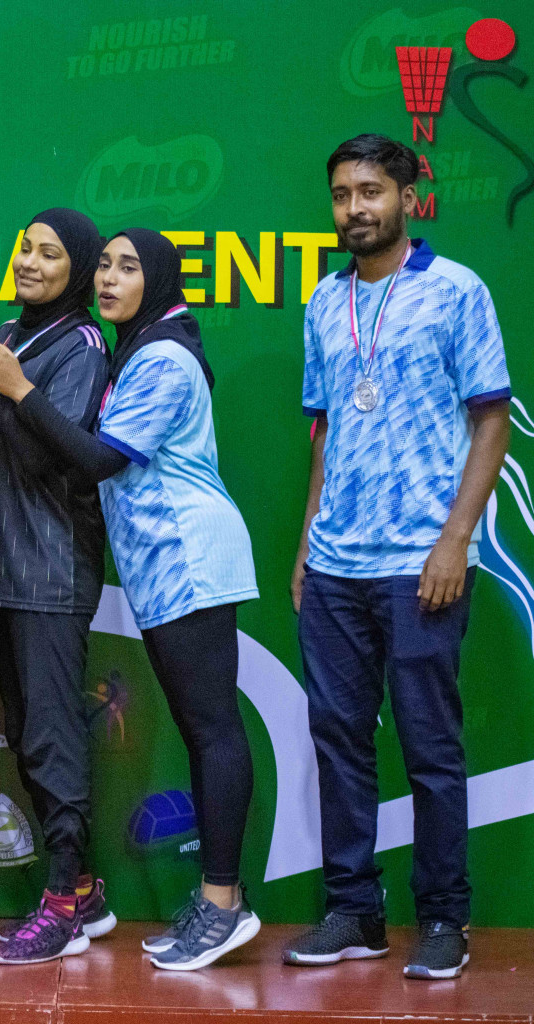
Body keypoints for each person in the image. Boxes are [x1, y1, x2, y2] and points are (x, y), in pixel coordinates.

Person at [0, 228, 261, 971]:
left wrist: (15, 385)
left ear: (157, 279)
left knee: (213, 730)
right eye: (104, 265)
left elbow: (97, 458)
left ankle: (224, 905)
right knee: (205, 731)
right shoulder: (140, 350)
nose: (108, 279)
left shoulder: (160, 358)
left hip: (190, 558)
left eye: (127, 268)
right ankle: (214, 901)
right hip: (165, 566)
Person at [284, 134, 510, 981]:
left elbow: (490, 419)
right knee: (339, 739)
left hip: (423, 558)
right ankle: (354, 910)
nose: (355, 210)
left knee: (429, 745)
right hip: (337, 564)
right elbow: (327, 430)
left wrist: (455, 539)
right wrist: (308, 537)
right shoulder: (322, 302)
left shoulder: (457, 292)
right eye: (342, 194)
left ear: (409, 195)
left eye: (371, 191)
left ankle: (445, 917)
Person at [0, 208, 117, 964]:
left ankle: (64, 899)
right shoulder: (9, 336)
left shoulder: (81, 344)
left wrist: (12, 388)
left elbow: (67, 453)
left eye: (49, 254)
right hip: (0, 567)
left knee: (50, 736)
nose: (29, 263)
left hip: (51, 569)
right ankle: (81, 890)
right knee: (26, 733)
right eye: (24, 248)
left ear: (76, 269)